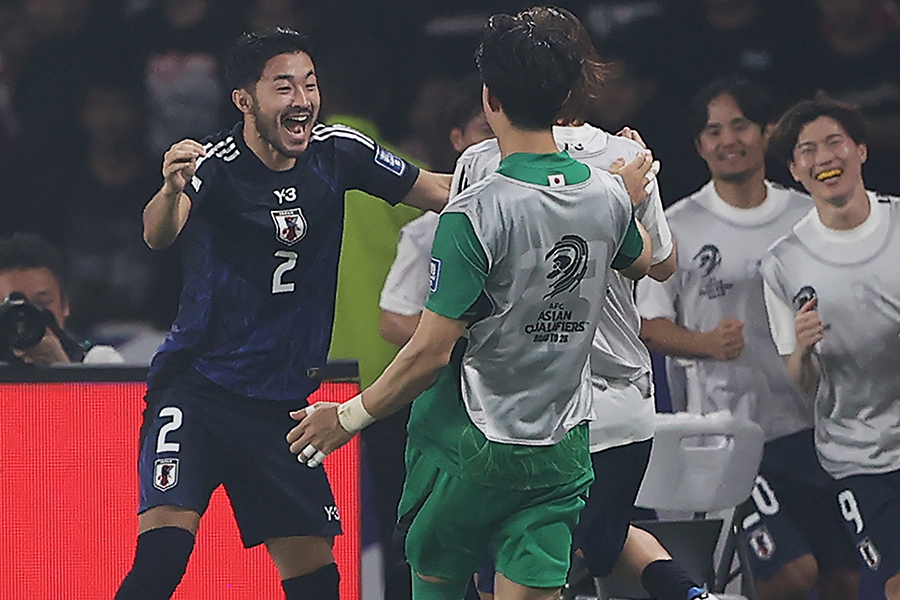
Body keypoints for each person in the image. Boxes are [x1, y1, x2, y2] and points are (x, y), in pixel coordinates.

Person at [287, 11, 653, 600]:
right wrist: (623, 192)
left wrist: (346, 417)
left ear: (490, 100)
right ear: (564, 96)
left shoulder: (474, 211)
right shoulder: (609, 193)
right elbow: (643, 261)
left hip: (467, 447)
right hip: (560, 450)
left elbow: (430, 353)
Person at [114, 27, 450, 600]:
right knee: (164, 557)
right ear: (245, 101)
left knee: (318, 583)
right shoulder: (216, 163)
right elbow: (159, 233)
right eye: (283, 87)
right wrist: (170, 191)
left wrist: (538, 185)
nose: (302, 100)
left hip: (283, 412)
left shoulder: (339, 151)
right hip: (199, 393)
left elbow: (440, 191)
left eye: (310, 85)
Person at [445, 8, 729, 600]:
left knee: (520, 557)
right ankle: (689, 592)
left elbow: (462, 288)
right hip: (622, 405)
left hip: (521, 410)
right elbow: (662, 263)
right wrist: (623, 196)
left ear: (496, 90)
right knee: (594, 543)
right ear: (580, 77)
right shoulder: (624, 160)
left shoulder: (479, 163)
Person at [636, 79, 860, 600]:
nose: (727, 139)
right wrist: (706, 344)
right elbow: (648, 323)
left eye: (739, 125)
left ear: (767, 133)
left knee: (842, 578)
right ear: (698, 146)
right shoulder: (678, 227)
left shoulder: (805, 215)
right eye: (712, 130)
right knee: (789, 574)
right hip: (732, 437)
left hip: (815, 427)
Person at [761, 94, 900, 600]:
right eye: (807, 151)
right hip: (859, 455)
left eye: (834, 142)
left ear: (861, 150)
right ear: (796, 171)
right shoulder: (783, 263)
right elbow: (800, 380)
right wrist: (802, 350)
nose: (824, 158)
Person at [0, 232, 123, 366]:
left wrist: (60, 365)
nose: (26, 317)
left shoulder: (98, 361)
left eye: (40, 304)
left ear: (65, 305)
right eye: (11, 306)